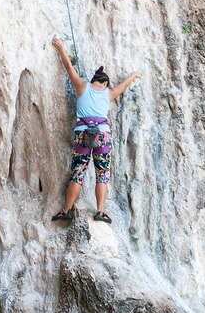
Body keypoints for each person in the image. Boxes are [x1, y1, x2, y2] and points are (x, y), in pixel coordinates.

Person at [51, 37, 140, 223]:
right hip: (102, 135)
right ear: (106, 83)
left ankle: (66, 210)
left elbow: (68, 67)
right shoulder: (109, 93)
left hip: (83, 134)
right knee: (102, 173)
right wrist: (133, 76)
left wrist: (61, 48)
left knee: (78, 172)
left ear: (93, 80)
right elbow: (124, 85)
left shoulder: (82, 86)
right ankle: (100, 211)